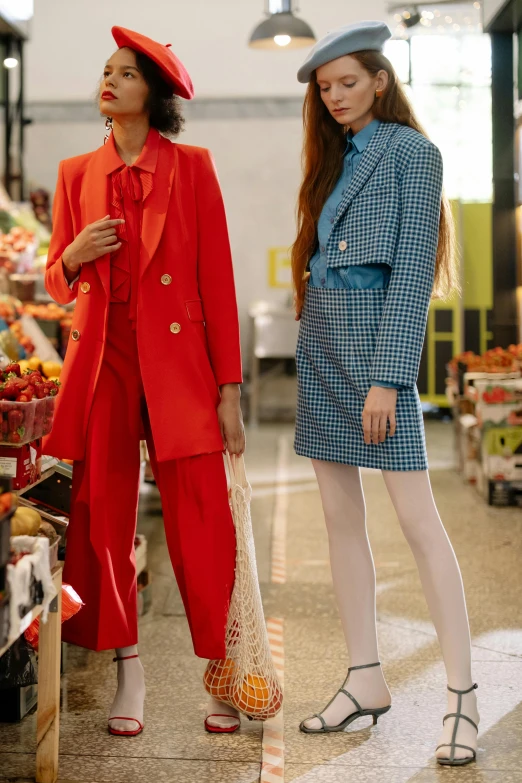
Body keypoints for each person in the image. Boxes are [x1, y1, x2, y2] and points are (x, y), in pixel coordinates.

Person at [44, 27, 244, 736]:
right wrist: (71, 253)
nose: (110, 80)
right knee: (103, 515)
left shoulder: (192, 167)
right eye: (105, 71)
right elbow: (56, 285)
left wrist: (230, 389)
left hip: (180, 365)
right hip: (102, 361)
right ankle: (130, 670)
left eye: (126, 73)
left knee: (200, 520)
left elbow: (217, 280)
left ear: (153, 95)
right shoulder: (74, 172)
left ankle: (223, 672)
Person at [292, 21, 479, 767]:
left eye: (348, 82)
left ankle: (463, 696)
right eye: (325, 87)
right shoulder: (331, 158)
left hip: (376, 357)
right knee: (341, 520)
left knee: (418, 521)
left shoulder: (413, 152)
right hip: (324, 348)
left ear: (380, 79)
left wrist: (387, 377)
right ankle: (365, 676)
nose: (336, 97)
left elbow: (410, 277)